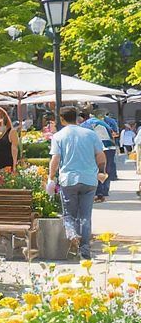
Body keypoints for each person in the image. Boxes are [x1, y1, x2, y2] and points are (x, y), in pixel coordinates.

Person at [49, 106, 107, 259]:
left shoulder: (59, 136)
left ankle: (72, 234)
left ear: (61, 119)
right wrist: (101, 171)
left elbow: (55, 159)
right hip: (89, 179)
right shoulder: (90, 134)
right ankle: (85, 249)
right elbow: (101, 156)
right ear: (77, 118)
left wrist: (50, 177)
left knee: (69, 214)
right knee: (86, 215)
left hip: (68, 179)